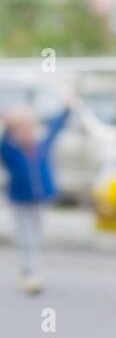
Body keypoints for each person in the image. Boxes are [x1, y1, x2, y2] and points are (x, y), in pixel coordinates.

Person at [1, 96, 73, 294]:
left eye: (28, 129)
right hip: (20, 199)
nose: (26, 133)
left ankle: (30, 268)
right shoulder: (10, 149)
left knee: (36, 232)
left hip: (39, 198)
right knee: (25, 235)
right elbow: (5, 137)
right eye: (20, 129)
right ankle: (28, 270)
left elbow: (56, 126)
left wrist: (67, 107)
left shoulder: (41, 144)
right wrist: (8, 122)